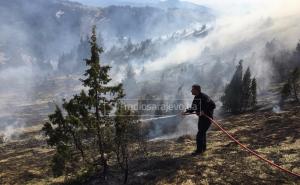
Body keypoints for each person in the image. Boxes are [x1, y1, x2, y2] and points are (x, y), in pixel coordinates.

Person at [182, 84, 216, 155]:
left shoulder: (204, 97)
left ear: (196, 90)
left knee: (200, 134)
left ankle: (199, 151)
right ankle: (203, 149)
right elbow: (193, 108)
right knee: (202, 133)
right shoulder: (196, 98)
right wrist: (186, 112)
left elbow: (213, 105)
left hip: (207, 118)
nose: (191, 91)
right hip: (201, 118)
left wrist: (204, 111)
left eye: (192, 89)